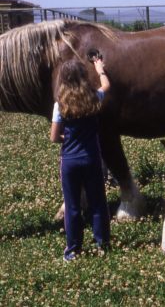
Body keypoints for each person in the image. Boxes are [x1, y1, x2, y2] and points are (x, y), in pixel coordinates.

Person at [51, 57, 111, 262]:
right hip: (92, 159)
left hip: (69, 161)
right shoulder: (94, 98)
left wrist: (69, 139)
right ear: (84, 78)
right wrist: (100, 69)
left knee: (73, 206)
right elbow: (106, 86)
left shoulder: (60, 105)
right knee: (97, 203)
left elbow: (53, 137)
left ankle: (73, 250)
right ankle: (102, 245)